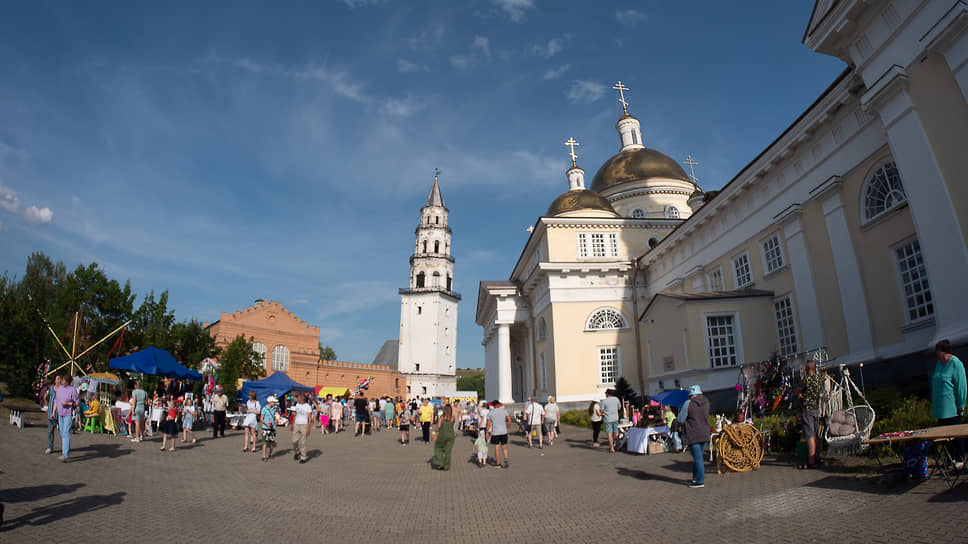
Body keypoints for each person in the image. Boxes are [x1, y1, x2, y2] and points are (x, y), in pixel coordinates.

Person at [932, 339, 966, 469]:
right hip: (940, 408)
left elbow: (961, 385)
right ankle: (949, 458)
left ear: (944, 351)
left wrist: (961, 403)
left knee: (956, 435)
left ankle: (960, 458)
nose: (936, 353)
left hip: (952, 407)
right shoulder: (939, 364)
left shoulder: (956, 363)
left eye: (938, 351)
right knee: (945, 436)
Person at [677, 385, 710, 488]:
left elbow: (681, 419)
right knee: (698, 457)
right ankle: (695, 478)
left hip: (693, 433)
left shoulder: (688, 403)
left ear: (691, 395)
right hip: (704, 432)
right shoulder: (706, 402)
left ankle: (700, 481)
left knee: (698, 459)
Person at [797, 360, 823, 469]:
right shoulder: (818, 379)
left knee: (809, 435)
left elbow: (797, 391)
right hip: (815, 408)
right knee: (816, 434)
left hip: (807, 409)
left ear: (808, 369)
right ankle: (818, 457)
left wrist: (798, 393)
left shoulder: (806, 380)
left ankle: (811, 461)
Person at [53, 373, 79, 462]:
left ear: (68, 381)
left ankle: (65, 454)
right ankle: (65, 452)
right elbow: (56, 400)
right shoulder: (60, 389)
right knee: (62, 433)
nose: (61, 381)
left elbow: (77, 402)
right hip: (60, 413)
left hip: (68, 414)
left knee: (66, 432)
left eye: (63, 380)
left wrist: (68, 404)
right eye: (61, 380)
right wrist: (53, 412)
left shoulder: (72, 390)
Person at [486, 400, 511, 468]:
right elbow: (509, 420)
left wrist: (487, 433)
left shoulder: (490, 413)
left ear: (493, 406)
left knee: (497, 447)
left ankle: (498, 463)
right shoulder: (504, 411)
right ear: (499, 405)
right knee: (504, 447)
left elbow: (488, 424)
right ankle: (506, 461)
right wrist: (508, 427)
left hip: (495, 432)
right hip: (503, 431)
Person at [432, 405, 456, 470]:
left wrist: (435, 430)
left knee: (438, 448)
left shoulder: (442, 417)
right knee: (448, 451)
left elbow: (439, 426)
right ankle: (447, 466)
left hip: (442, 435)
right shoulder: (453, 418)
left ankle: (441, 463)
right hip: (451, 435)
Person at [291, 393, 313, 463]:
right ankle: (297, 452)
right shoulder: (297, 405)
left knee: (303, 442)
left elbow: (310, 418)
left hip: (304, 424)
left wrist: (308, 429)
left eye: (298, 398)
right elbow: (295, 414)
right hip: (297, 424)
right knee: (294, 441)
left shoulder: (308, 406)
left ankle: (303, 457)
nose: (297, 399)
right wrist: (293, 424)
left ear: (302, 398)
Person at [43, 376, 61, 454]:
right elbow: (45, 397)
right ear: (55, 380)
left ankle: (65, 448)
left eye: (60, 379)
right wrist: (48, 406)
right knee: (50, 431)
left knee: (62, 432)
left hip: (60, 414)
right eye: (57, 379)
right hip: (51, 414)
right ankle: (50, 446)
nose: (59, 380)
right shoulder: (51, 389)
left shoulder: (63, 390)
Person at [260, 396, 279, 461]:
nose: (274, 403)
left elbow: (274, 416)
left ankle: (270, 454)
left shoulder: (274, 409)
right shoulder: (264, 409)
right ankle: (263, 456)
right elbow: (261, 419)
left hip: (272, 428)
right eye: (273, 402)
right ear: (270, 402)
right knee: (264, 442)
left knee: (271, 442)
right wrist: (266, 424)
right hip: (265, 428)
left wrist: (276, 420)